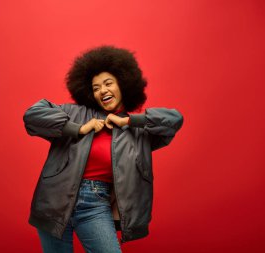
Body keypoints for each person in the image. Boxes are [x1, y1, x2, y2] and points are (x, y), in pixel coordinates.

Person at [23, 45, 184, 253]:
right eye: (96, 87)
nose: (102, 91)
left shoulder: (138, 131)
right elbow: (33, 115)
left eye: (108, 83)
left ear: (123, 84)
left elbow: (174, 119)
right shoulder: (74, 113)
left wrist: (129, 121)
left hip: (95, 204)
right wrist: (79, 128)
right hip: (54, 201)